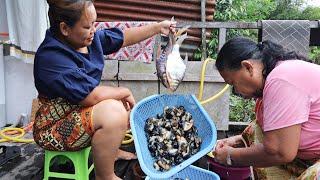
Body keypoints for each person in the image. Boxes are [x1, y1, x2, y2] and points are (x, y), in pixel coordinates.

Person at [33, 0, 176, 179]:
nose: (94, 30)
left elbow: (123, 37)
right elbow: (90, 97)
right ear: (64, 28)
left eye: (94, 23)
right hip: (54, 127)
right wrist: (124, 91)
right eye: (87, 26)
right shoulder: (51, 57)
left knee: (115, 104)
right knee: (114, 110)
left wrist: (157, 27)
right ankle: (105, 176)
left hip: (76, 110)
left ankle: (109, 152)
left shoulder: (84, 40)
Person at [213, 37, 320, 179]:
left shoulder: (280, 79)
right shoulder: (277, 74)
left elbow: (280, 152)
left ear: (248, 67)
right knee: (255, 131)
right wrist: (238, 140)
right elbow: (280, 130)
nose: (236, 91)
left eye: (233, 83)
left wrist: (230, 156)